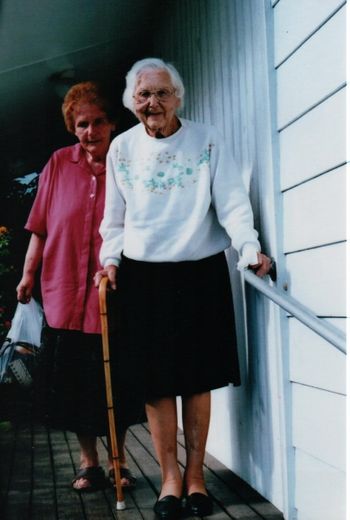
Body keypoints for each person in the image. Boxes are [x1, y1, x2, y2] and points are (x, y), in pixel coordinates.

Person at [97, 58, 271, 519]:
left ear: (178, 96)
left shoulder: (206, 139)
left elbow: (232, 202)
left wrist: (249, 249)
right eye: (143, 95)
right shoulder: (121, 148)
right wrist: (110, 261)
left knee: (196, 380)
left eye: (161, 93)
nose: (152, 103)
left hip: (198, 270)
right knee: (156, 385)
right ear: (131, 102)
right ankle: (169, 479)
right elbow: (113, 219)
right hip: (142, 274)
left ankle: (196, 478)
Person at [16, 81, 139, 492]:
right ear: (72, 128)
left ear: (112, 122)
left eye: (98, 121)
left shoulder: (128, 162)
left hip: (113, 293)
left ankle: (117, 461)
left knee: (113, 382)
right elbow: (40, 227)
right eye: (82, 124)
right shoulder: (57, 164)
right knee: (72, 385)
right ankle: (89, 464)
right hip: (64, 293)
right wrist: (28, 274)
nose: (91, 131)